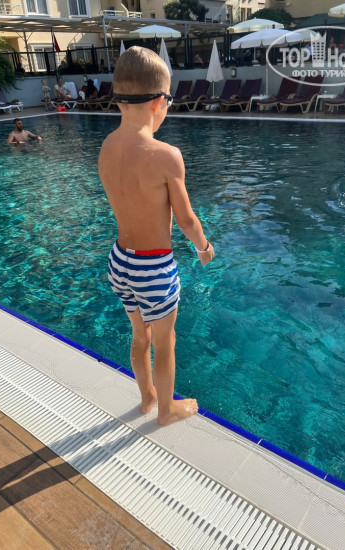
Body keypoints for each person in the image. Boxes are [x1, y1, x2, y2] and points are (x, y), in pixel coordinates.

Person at [99, 46, 214, 426]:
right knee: (166, 342)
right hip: (153, 267)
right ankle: (166, 410)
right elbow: (186, 220)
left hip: (120, 260)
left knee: (140, 336)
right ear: (159, 102)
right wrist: (203, 248)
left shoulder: (107, 147)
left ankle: (147, 396)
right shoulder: (166, 155)